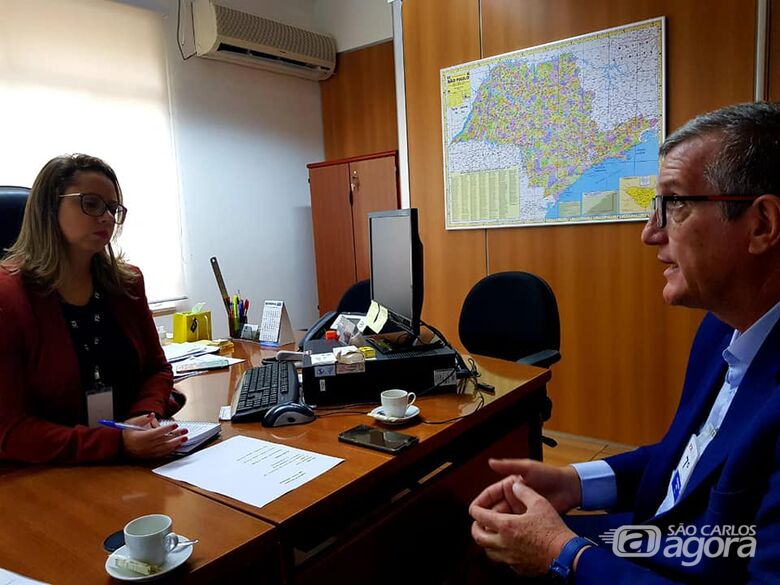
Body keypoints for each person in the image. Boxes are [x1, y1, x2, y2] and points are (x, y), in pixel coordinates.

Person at [469, 102, 780, 583]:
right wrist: (572, 483)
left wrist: (563, 554)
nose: (650, 232)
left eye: (674, 202)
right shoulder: (722, 327)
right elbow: (689, 463)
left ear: (762, 224)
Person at [0, 154, 187, 464]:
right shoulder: (9, 298)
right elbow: (10, 431)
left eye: (113, 208)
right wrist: (117, 443)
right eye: (91, 203)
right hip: (43, 476)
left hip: (132, 462)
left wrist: (145, 414)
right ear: (49, 207)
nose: (107, 218)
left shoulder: (126, 283)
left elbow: (157, 369)